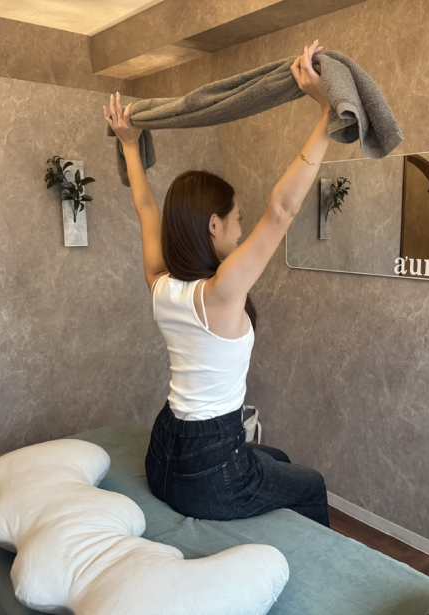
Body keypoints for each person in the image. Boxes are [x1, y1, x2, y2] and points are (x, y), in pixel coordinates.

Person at [103, 40, 331, 527]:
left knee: (280, 459)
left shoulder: (160, 283)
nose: (241, 228)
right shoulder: (222, 293)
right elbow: (282, 210)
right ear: (213, 225)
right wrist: (327, 114)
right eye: (237, 218)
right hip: (209, 471)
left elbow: (146, 208)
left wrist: (129, 144)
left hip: (164, 456)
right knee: (311, 484)